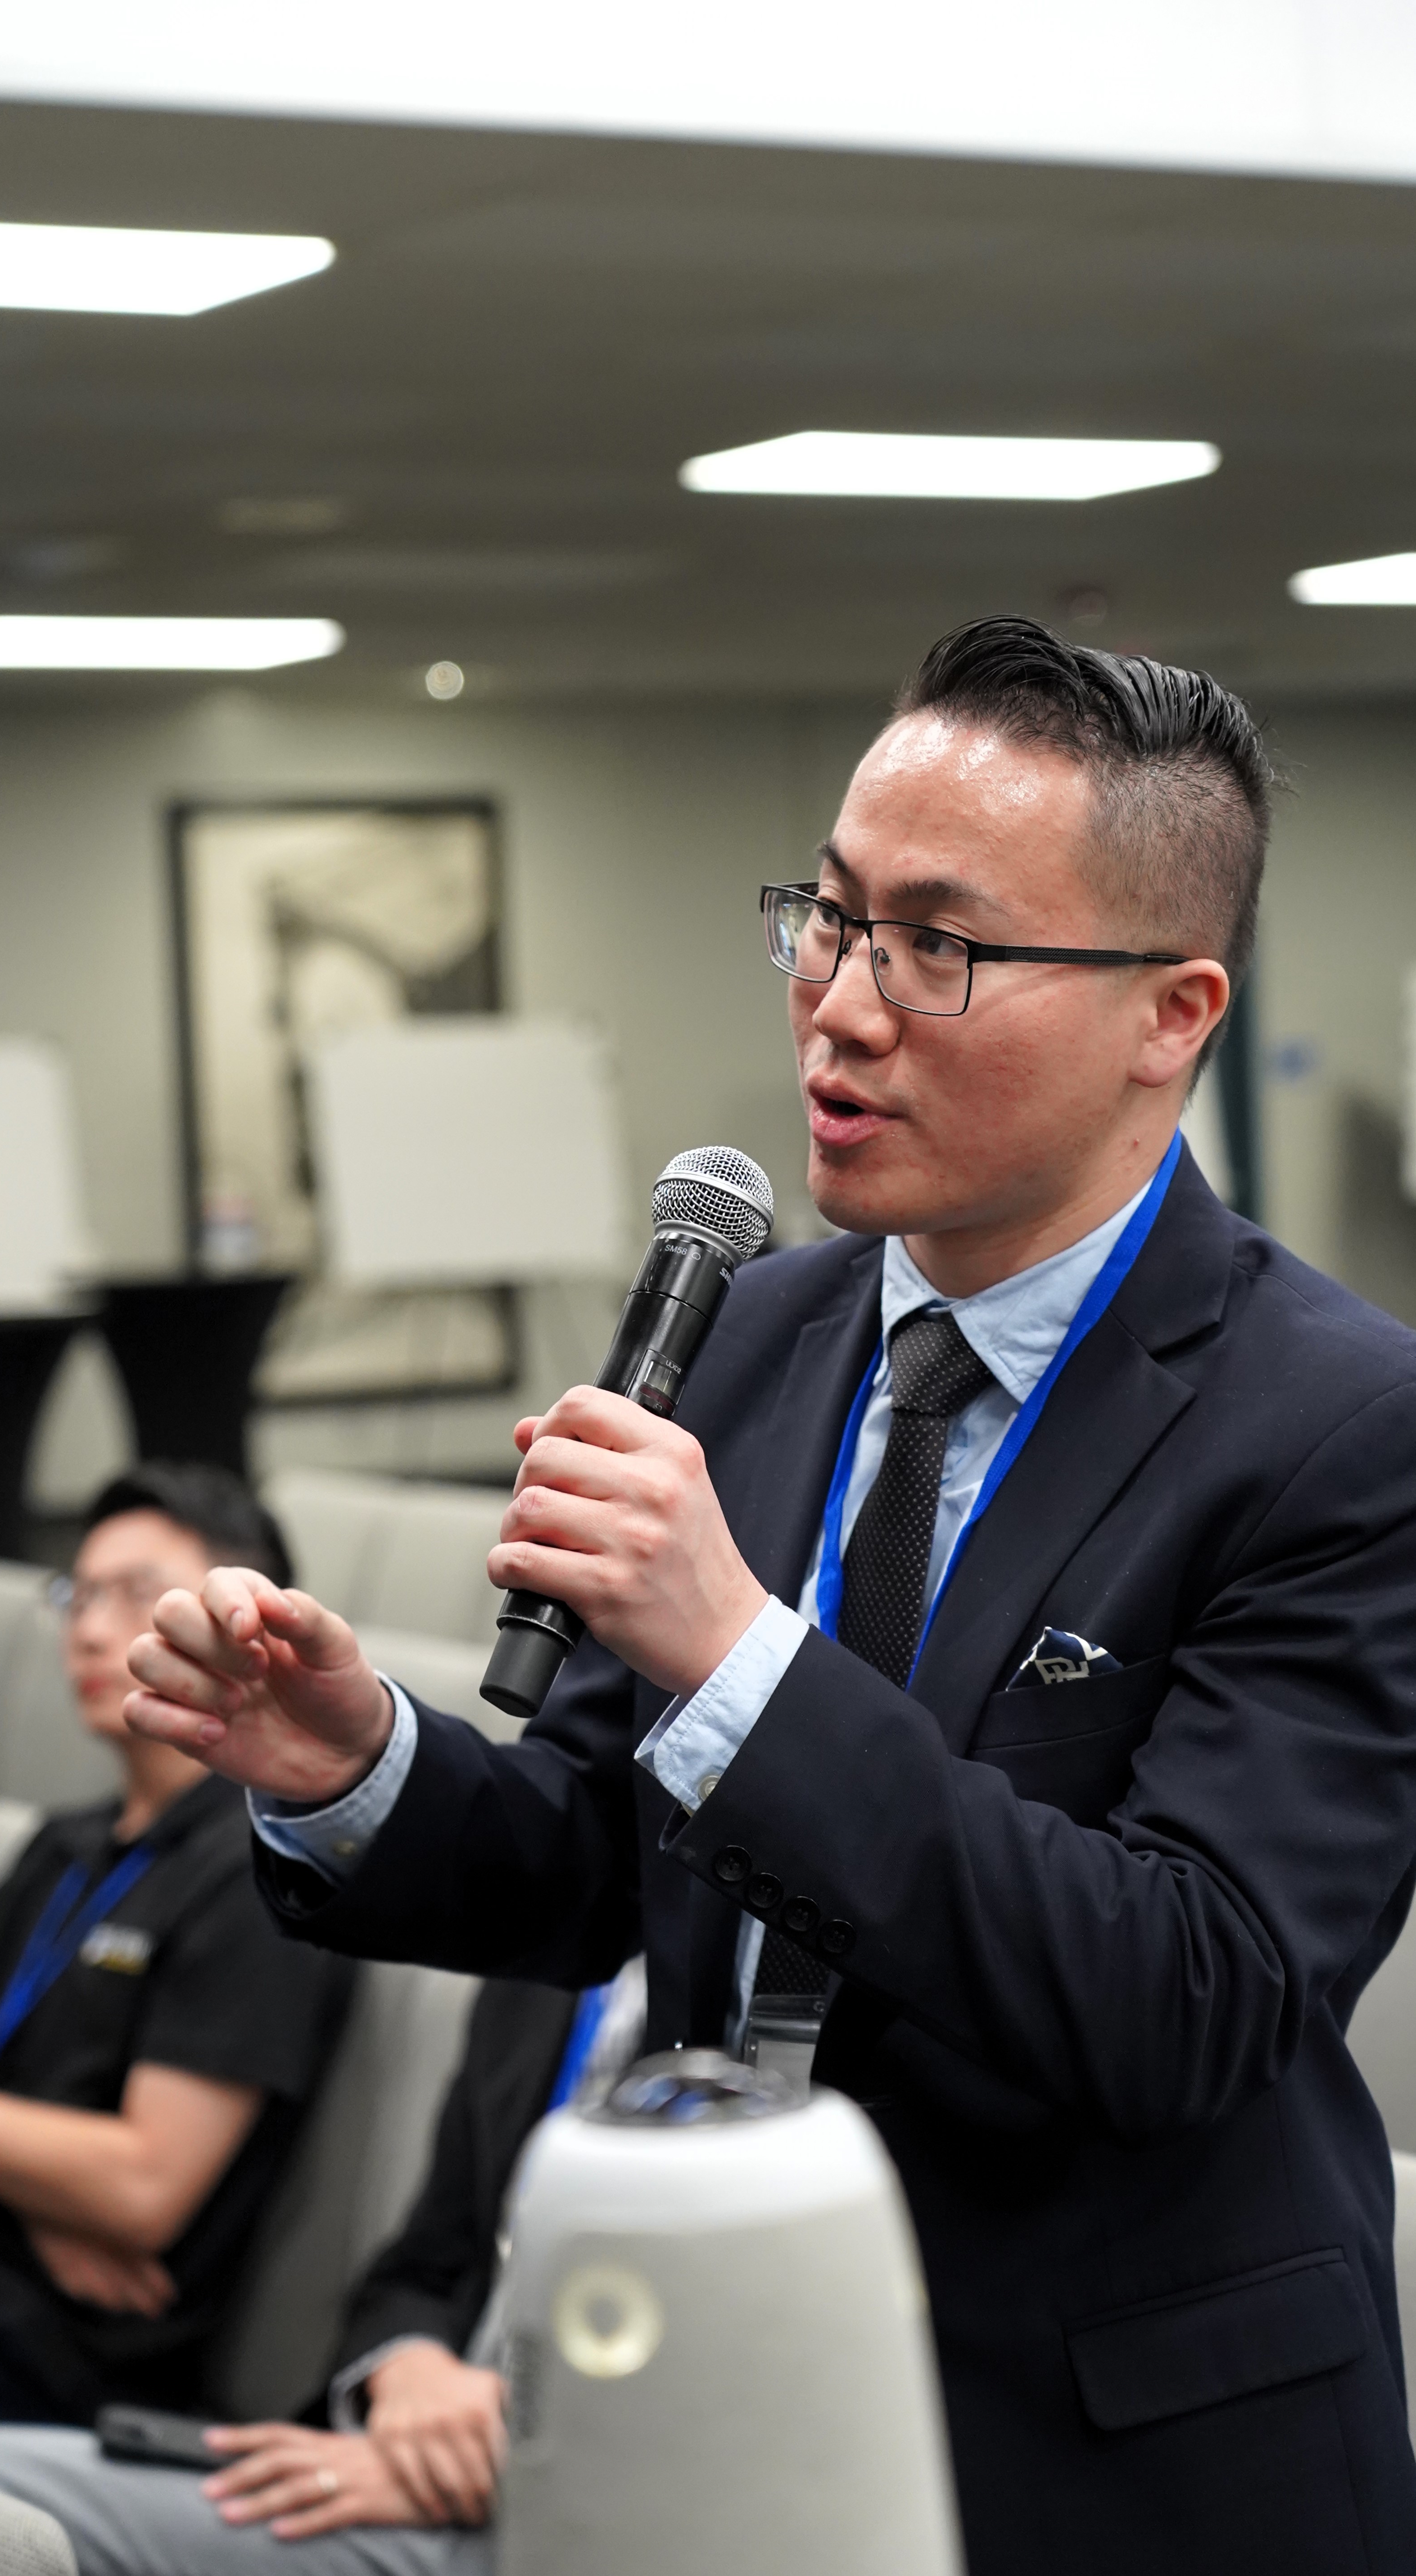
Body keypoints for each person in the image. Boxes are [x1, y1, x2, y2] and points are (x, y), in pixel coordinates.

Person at [124, 618, 1416, 2576]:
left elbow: (1184, 1995)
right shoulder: (752, 1332)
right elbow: (600, 1863)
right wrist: (355, 1765)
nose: (841, 1004)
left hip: (1112, 2452)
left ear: (1170, 1013)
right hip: (710, 2382)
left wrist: (735, 1649)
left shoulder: (1337, 1424)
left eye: (938, 946)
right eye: (828, 917)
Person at [0, 1965, 647, 2575]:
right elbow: (420, 2267)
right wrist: (407, 2366)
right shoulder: (543, 1975)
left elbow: (140, 2195)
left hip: (569, 2514)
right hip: (407, 2449)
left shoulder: (706, 2001)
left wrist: (497, 2459)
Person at [0, 1462, 352, 2427]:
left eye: (136, 1594)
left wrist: (33, 2185)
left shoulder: (264, 1874)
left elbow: (143, 2190)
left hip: (59, 2359)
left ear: (246, 1626)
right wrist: (39, 2200)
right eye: (79, 1595)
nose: (91, 1631)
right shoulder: (63, 1845)